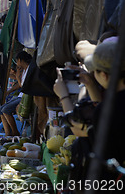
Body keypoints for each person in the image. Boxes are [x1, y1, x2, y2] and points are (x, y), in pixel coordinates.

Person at [53, 39, 125, 186]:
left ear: (104, 75)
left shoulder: (109, 108)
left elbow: (78, 129)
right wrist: (90, 84)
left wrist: (63, 95)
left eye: (95, 71)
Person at [0, 51, 31, 136]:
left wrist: (17, 75)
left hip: (24, 97)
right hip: (21, 96)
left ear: (20, 60)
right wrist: (17, 75)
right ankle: (7, 134)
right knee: (1, 110)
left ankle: (15, 132)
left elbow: (23, 86)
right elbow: (20, 84)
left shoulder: (30, 69)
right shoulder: (24, 70)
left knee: (5, 110)